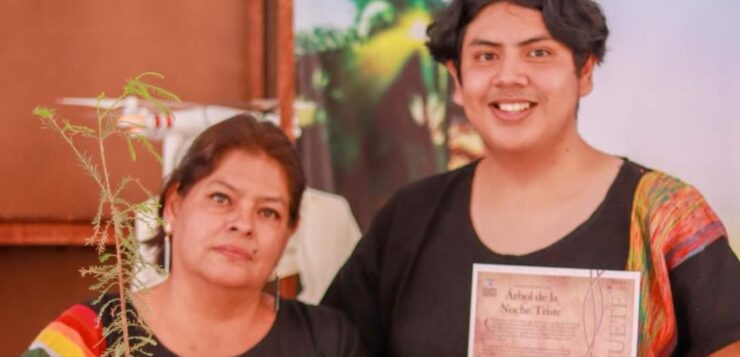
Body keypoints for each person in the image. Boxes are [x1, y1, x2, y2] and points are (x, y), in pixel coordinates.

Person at [322, 0, 740, 356]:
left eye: (538, 53)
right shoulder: (409, 218)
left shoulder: (665, 217)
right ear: (456, 79)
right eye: (486, 56)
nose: (509, 76)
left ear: (585, 71)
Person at [24, 114, 366, 356]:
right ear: (173, 205)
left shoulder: (328, 343)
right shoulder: (93, 335)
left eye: (268, 212)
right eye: (221, 199)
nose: (243, 224)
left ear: (289, 231)